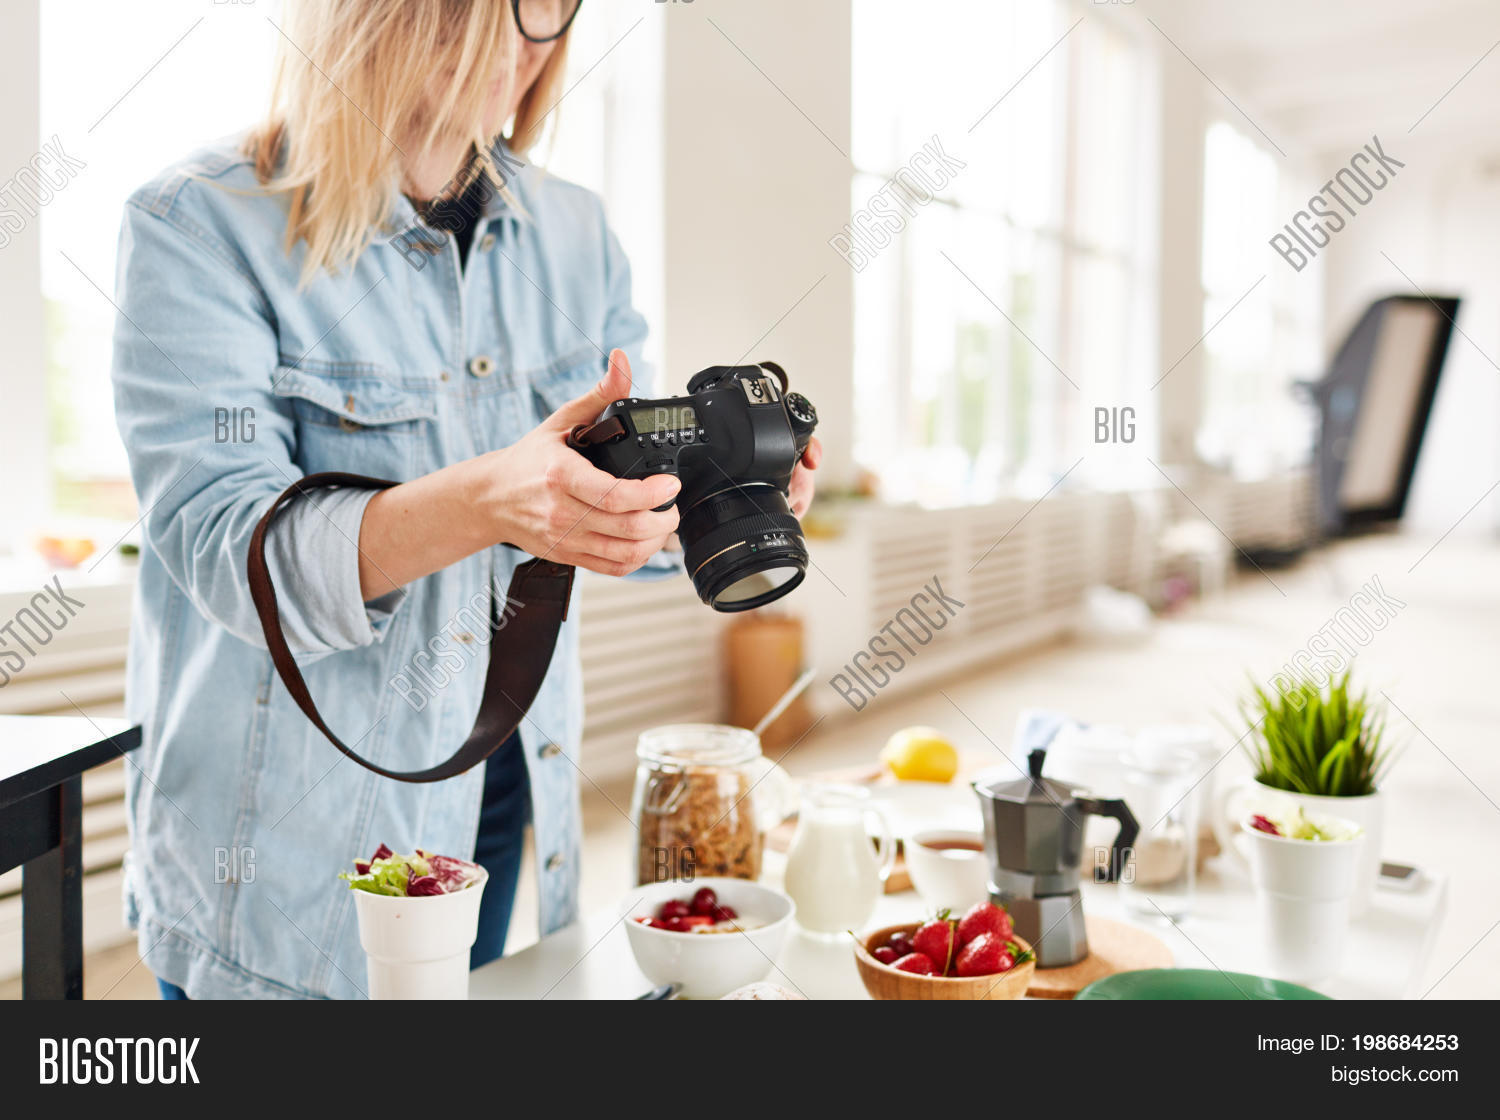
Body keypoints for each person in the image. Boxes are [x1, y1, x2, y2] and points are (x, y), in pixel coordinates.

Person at [110, 0, 820, 999]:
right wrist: (486, 501)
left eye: (548, 5)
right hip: (291, 854)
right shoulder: (198, 223)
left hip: (498, 785)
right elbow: (231, 552)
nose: (519, 40)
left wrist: (706, 493)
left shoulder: (576, 232)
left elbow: (605, 498)